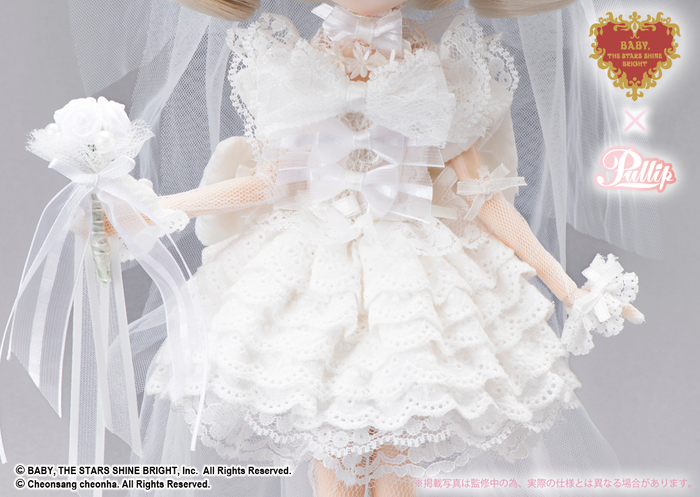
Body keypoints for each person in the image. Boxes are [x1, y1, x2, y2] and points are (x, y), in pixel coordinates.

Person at [119, 0, 643, 495]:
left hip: (411, 270)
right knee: (333, 439)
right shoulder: (306, 68)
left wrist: (566, 286)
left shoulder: (435, 72)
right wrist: (163, 207)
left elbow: (481, 194)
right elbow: (273, 179)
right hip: (314, 262)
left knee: (399, 440)